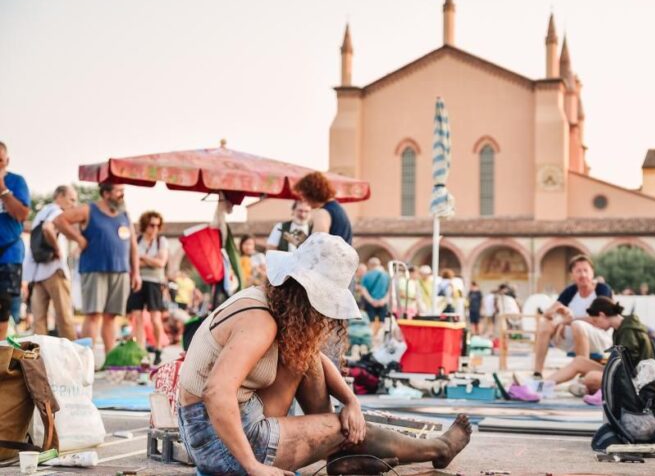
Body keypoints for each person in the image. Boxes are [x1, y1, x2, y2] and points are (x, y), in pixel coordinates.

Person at [176, 233, 471, 475]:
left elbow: (314, 360)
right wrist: (253, 467)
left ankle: (337, 453)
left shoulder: (269, 302)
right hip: (218, 443)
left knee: (306, 359)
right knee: (342, 429)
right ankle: (438, 448)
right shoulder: (259, 323)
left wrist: (351, 401)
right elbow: (217, 392)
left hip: (229, 421)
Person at [54, 182, 141, 354]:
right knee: (93, 315)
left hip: (120, 271)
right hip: (94, 269)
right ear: (106, 193)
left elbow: (133, 246)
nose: (122, 195)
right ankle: (87, 359)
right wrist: (79, 239)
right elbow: (59, 220)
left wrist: (136, 272)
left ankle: (109, 359)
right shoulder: (88, 210)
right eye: (118, 191)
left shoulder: (124, 215)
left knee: (111, 317)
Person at [548, 297, 654, 398]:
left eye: (595, 321)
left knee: (591, 377)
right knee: (579, 361)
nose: (595, 325)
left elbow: (628, 365)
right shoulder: (620, 328)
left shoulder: (628, 331)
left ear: (602, 315)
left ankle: (592, 390)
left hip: (635, 381)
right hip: (625, 374)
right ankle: (542, 385)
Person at [533, 255, 612, 377]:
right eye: (578, 271)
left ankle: (583, 375)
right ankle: (537, 373)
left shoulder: (602, 289)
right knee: (545, 325)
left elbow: (601, 320)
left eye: (586, 270)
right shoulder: (571, 291)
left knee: (577, 324)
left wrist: (568, 320)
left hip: (600, 338)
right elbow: (548, 313)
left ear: (592, 272)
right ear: (572, 275)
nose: (583, 275)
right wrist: (557, 312)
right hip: (573, 338)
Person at [23, 185, 78, 338]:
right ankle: (73, 357)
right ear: (59, 196)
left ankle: (39, 359)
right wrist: (57, 249)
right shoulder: (57, 212)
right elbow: (48, 228)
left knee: (38, 322)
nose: (73, 204)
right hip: (54, 270)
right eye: (71, 199)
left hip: (38, 273)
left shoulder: (41, 212)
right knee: (64, 317)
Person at [126, 211, 168, 363]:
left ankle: (157, 348)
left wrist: (141, 257)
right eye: (152, 225)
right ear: (145, 225)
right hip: (138, 281)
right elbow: (131, 262)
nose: (155, 228)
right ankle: (140, 350)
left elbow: (161, 263)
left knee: (155, 318)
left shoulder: (161, 241)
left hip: (155, 283)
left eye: (157, 225)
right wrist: (151, 261)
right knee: (137, 318)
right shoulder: (137, 240)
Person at [0, 142, 30, 340]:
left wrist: (3, 189)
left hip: (8, 254)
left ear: (7, 161)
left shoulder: (16, 181)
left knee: (2, 306)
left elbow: (22, 214)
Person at [292, 172, 351, 245]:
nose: (304, 200)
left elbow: (317, 246)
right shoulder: (337, 208)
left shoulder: (322, 213)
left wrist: (300, 243)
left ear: (312, 193)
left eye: (304, 195)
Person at [360, 257, 390, 337]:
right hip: (383, 303)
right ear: (379, 264)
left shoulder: (366, 275)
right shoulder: (386, 275)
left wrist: (372, 301)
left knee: (371, 323)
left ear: (370, 265)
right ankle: (381, 340)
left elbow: (364, 290)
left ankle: (370, 341)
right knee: (383, 323)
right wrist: (384, 300)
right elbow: (389, 291)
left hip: (370, 303)